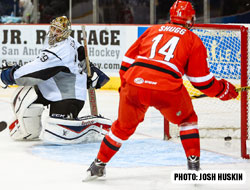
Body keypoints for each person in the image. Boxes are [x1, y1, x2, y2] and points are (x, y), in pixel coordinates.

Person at [83, 0, 238, 180]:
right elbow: (201, 82)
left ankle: (97, 165)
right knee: (188, 119)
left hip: (134, 83)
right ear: (191, 19)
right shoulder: (192, 39)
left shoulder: (152, 30)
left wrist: (126, 89)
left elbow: (126, 62)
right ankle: (193, 166)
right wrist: (223, 90)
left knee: (121, 128)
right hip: (166, 88)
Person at [0, 16, 110, 144]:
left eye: (58, 31)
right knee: (22, 95)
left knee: (55, 132)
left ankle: (91, 126)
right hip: (52, 88)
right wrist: (90, 69)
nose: (53, 32)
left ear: (65, 33)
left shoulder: (61, 50)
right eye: (53, 28)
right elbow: (81, 53)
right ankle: (28, 130)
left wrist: (12, 75)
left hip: (68, 96)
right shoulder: (66, 40)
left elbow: (36, 70)